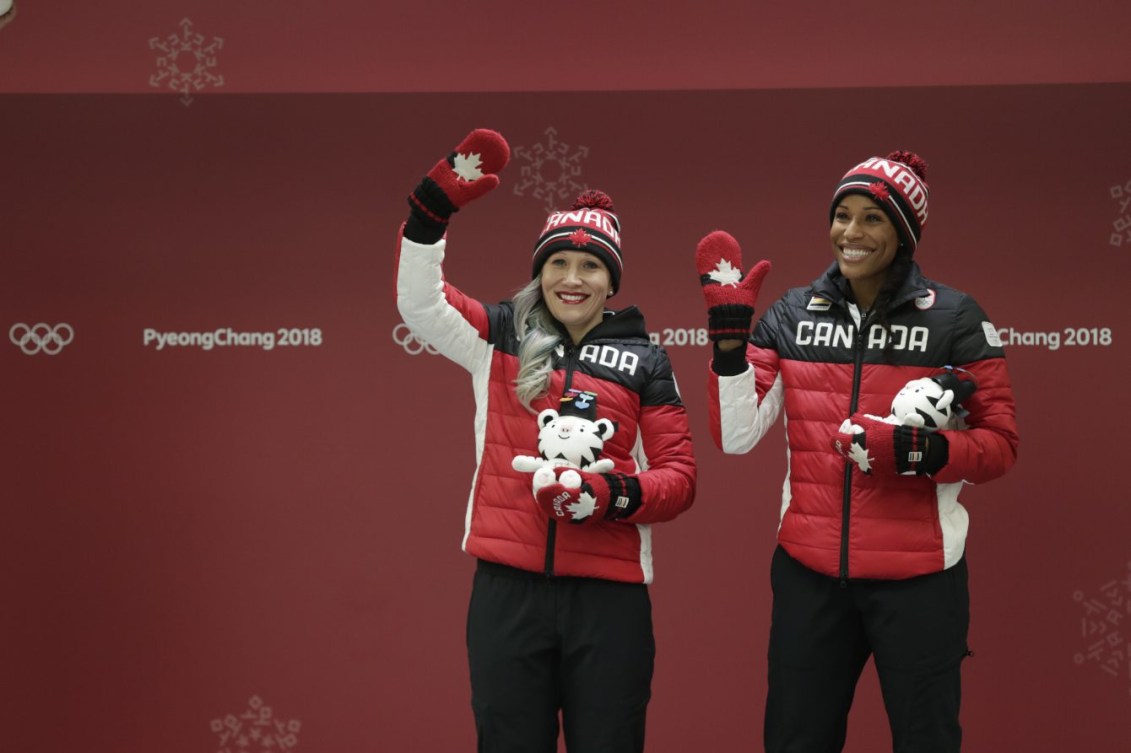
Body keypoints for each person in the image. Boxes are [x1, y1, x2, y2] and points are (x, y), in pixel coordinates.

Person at [695, 151, 1019, 753]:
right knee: (797, 740)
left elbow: (999, 446)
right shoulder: (792, 313)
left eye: (872, 218)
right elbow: (736, 438)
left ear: (903, 231)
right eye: (842, 215)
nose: (851, 232)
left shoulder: (955, 317)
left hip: (920, 580)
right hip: (810, 576)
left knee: (927, 740)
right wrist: (730, 349)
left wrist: (918, 451)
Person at [396, 128, 697, 753]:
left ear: (611, 281)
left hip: (609, 600)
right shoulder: (501, 334)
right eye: (558, 262)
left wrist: (608, 496)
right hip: (508, 594)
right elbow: (419, 305)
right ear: (540, 271)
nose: (573, 278)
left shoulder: (647, 361)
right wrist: (430, 213)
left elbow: (678, 478)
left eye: (590, 265)